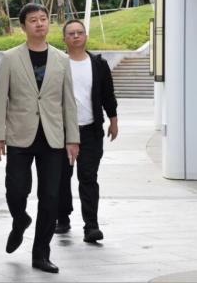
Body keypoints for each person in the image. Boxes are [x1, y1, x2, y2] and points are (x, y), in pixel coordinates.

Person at [0, 3, 79, 274]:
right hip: (19, 136)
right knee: (16, 190)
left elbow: (68, 102)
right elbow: (0, 100)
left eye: (43, 19)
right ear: (23, 26)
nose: (40, 23)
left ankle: (41, 253)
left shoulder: (61, 59)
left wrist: (73, 139)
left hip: (53, 138)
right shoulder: (10, 58)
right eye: (33, 20)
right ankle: (20, 220)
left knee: (50, 197)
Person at [55, 19, 118, 243]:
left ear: (86, 36)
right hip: (63, 131)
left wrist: (113, 120)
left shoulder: (98, 64)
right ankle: (62, 217)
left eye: (80, 32)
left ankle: (91, 226)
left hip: (91, 130)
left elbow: (108, 94)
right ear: (64, 38)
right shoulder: (58, 64)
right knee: (62, 177)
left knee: (88, 177)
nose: (76, 36)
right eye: (71, 33)